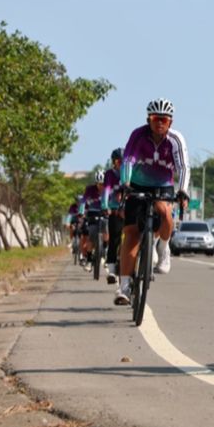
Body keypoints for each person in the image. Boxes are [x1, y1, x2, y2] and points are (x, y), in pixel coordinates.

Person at [114, 98, 190, 305]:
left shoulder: (175, 139)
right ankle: (124, 287)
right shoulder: (138, 135)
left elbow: (183, 167)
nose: (160, 123)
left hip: (163, 185)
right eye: (156, 118)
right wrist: (125, 183)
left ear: (170, 122)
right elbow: (128, 159)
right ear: (149, 119)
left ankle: (163, 248)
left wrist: (182, 191)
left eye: (164, 119)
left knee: (165, 212)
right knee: (131, 235)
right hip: (137, 184)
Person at [102, 148, 124, 284]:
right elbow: (106, 191)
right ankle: (111, 270)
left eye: (123, 161)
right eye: (118, 161)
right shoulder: (110, 174)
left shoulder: (132, 172)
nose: (120, 164)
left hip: (130, 209)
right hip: (115, 210)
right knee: (114, 240)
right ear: (114, 162)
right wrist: (105, 206)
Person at [79, 170, 106, 271]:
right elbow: (83, 200)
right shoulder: (90, 189)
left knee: (107, 231)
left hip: (105, 212)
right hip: (92, 213)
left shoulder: (108, 189)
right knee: (91, 236)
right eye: (99, 184)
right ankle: (89, 261)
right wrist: (81, 212)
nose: (101, 186)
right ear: (96, 183)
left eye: (103, 184)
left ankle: (105, 251)